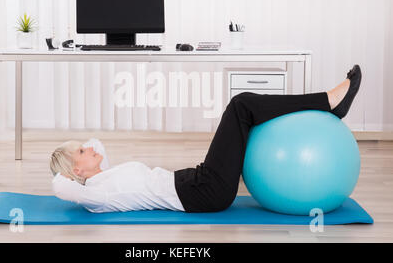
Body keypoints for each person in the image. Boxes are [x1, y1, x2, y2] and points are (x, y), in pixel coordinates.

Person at [50, 65, 362, 213]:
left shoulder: (104, 176)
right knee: (241, 105)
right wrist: (64, 171)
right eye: (81, 150)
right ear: (76, 172)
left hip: (197, 182)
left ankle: (329, 103)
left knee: (244, 112)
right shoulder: (97, 196)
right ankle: (329, 101)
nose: (90, 146)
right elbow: (61, 187)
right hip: (203, 192)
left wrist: (78, 157)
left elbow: (95, 145)